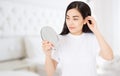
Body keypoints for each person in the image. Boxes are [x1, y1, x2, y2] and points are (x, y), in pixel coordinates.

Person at [42, 1, 113, 76]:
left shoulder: (92, 39)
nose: (70, 22)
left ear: (85, 20)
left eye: (75, 19)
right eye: (68, 18)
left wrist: (96, 30)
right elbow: (50, 73)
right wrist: (48, 55)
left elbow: (109, 57)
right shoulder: (60, 40)